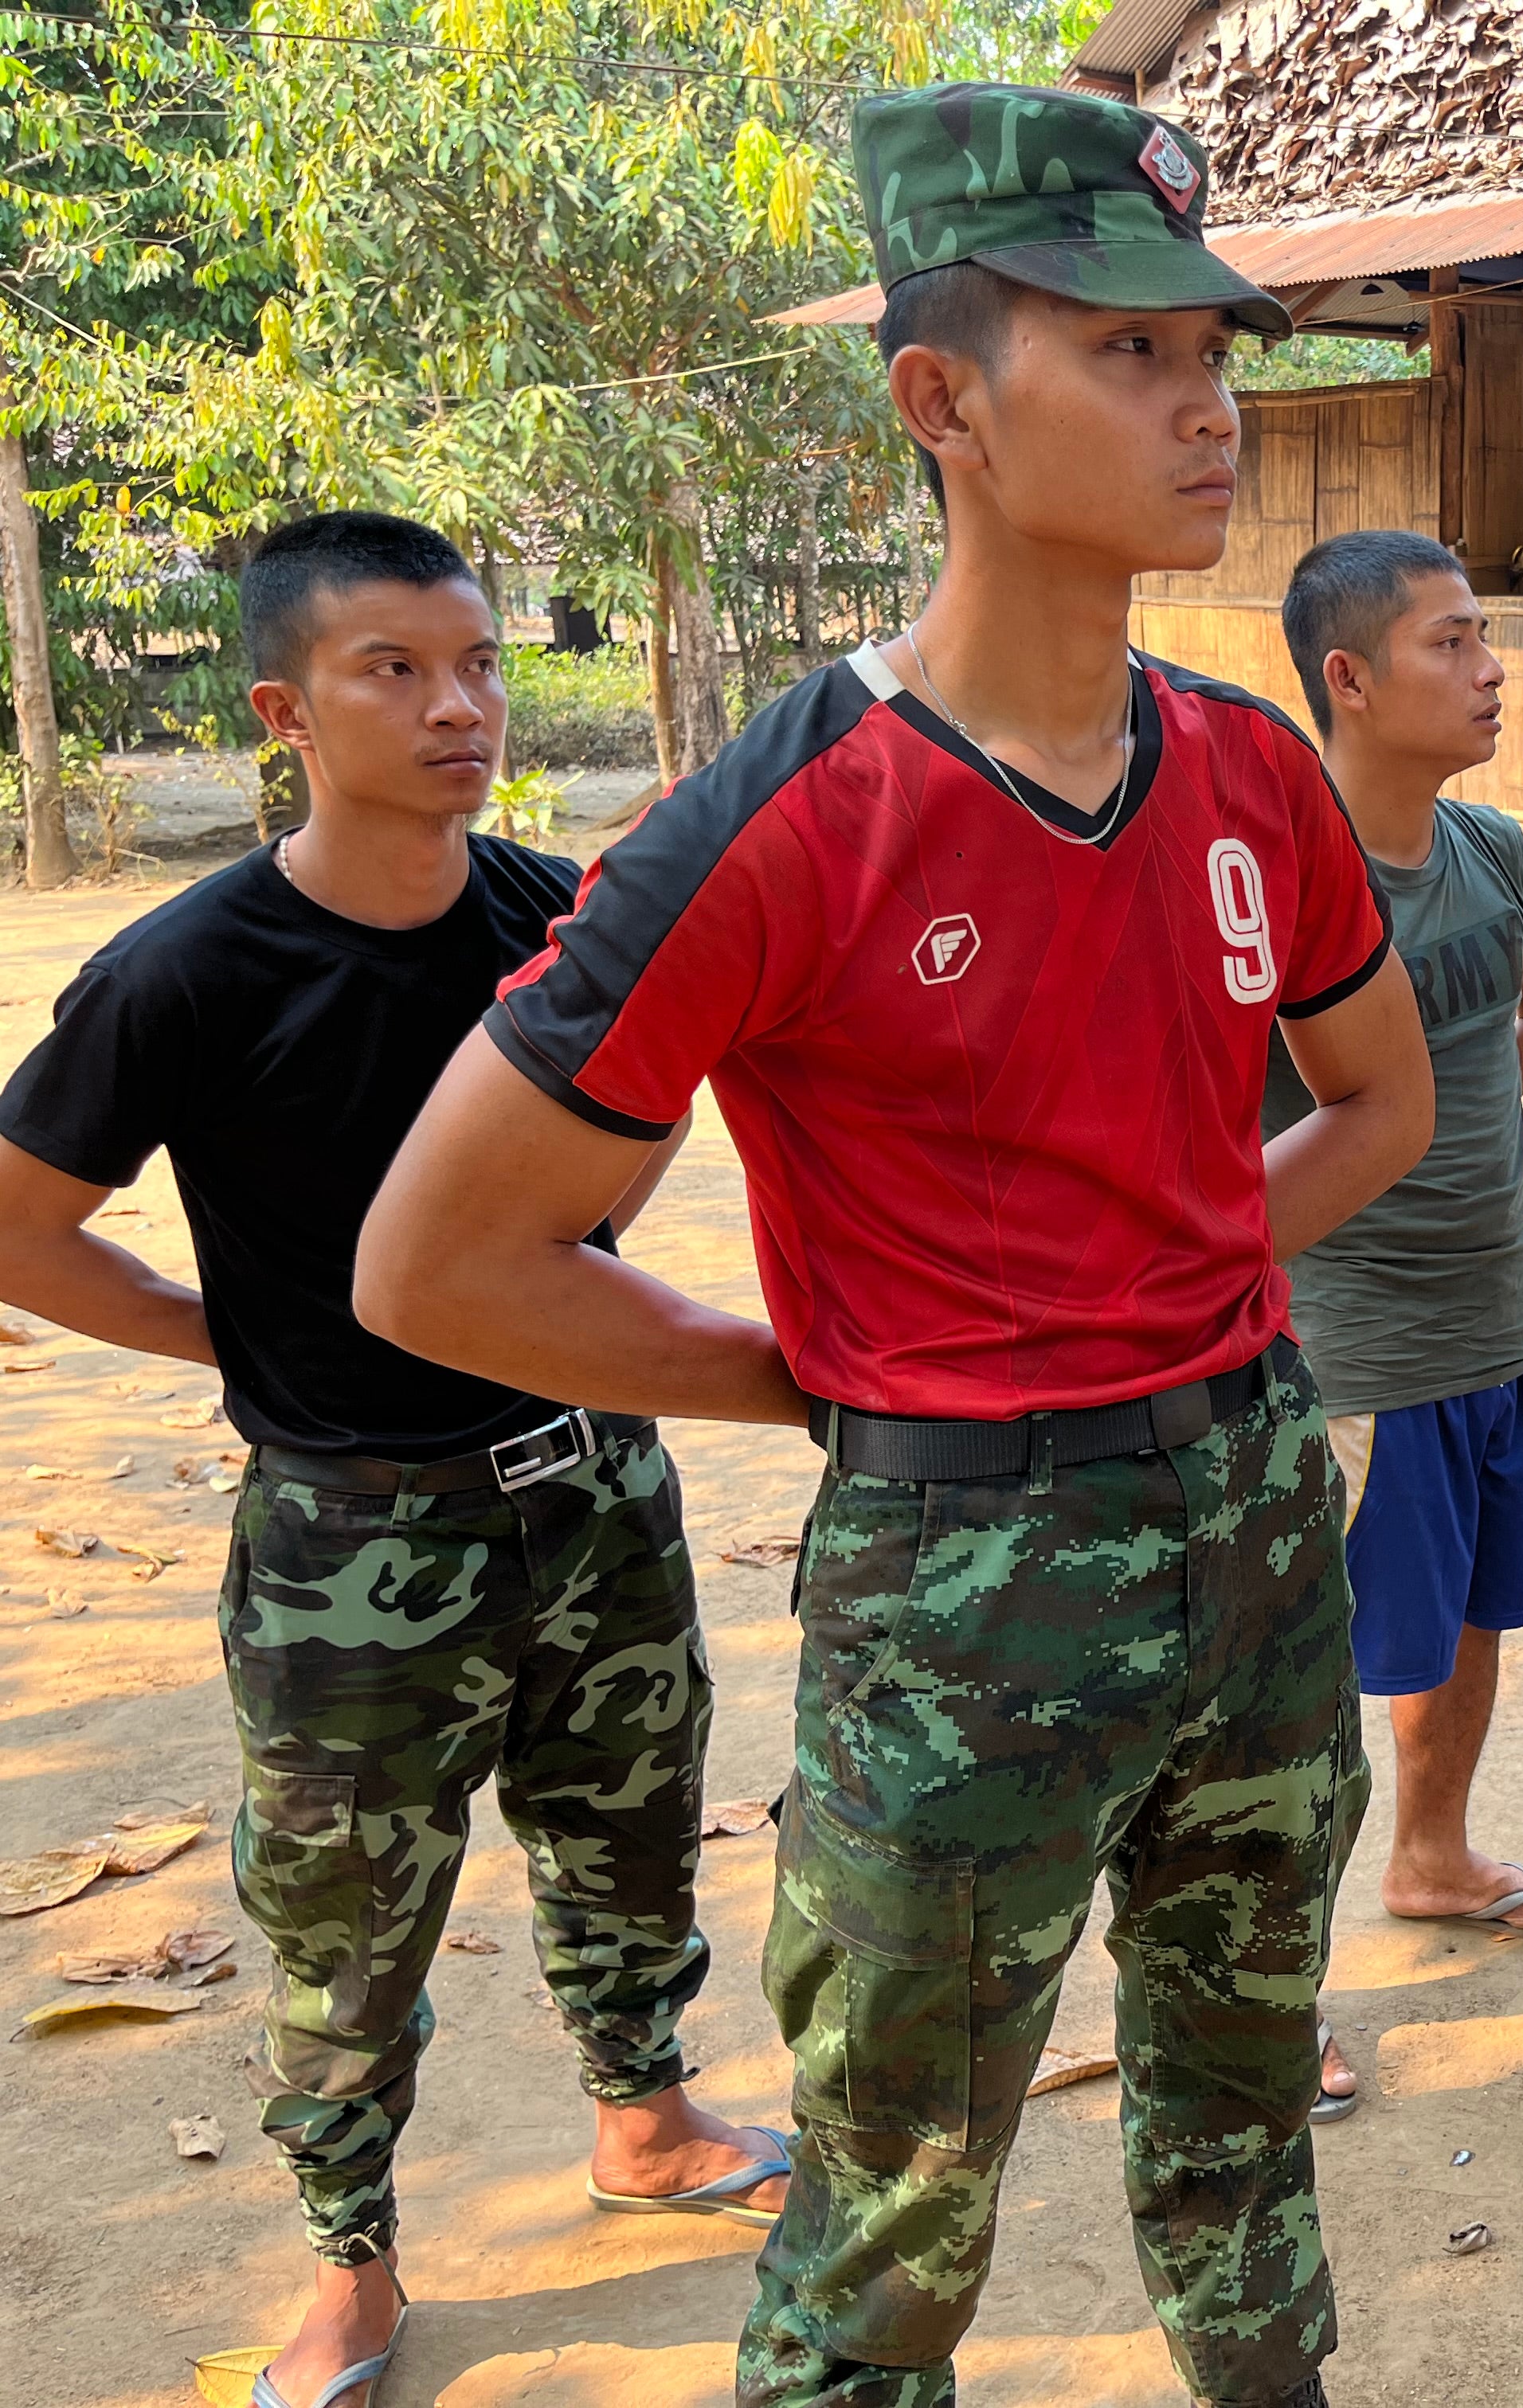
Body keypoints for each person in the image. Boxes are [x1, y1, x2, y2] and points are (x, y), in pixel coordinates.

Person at [346, 87, 1435, 2408]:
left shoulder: (1252, 773)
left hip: (1255, 1516)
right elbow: (437, 1260)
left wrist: (1189, 1298)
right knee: (893, 2225)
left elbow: (1386, 1099)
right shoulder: (789, 819)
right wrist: (825, 1372)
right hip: (966, 1592)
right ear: (943, 399)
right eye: (1127, 351)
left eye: (1209, 343)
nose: (1206, 398)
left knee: (1245, 2117)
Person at [0, 512, 780, 2408]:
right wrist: (233, 1339)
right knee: (349, 1920)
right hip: (356, 1535)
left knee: (632, 1840)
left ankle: (647, 2120)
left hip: (591, 1487)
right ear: (286, 709)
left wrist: (565, 1277)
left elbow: (617, 1154)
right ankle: (350, 2260)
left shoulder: (548, 921)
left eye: (483, 664)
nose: (461, 708)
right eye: (397, 671)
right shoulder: (183, 973)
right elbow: (20, 1222)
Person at [1267, 530, 1523, 2131]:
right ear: (1350, 678)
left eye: (1488, 637)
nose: (1490, 671)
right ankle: (1278, 1991)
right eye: (1452, 643)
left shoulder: (1493, 853)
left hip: (1498, 1321)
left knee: (1468, 1617)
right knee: (1302, 1682)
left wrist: (1432, 1126)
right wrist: (1360, 1164)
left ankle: (1435, 1856)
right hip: (1350, 1358)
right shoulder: (1271, 888)